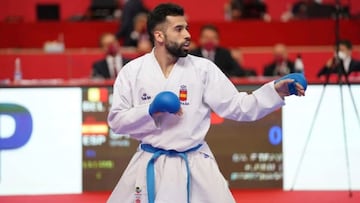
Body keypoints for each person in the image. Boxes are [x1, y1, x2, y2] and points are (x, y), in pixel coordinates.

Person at [107, 3, 305, 203]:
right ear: (159, 36)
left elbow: (239, 106)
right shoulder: (132, 72)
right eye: (178, 29)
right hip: (150, 163)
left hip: (196, 164)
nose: (187, 35)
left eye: (187, 28)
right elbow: (116, 122)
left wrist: (274, 92)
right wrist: (149, 110)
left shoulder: (203, 70)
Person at [190, 24, 256, 77]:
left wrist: (221, 76)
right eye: (206, 37)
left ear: (218, 40)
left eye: (213, 38)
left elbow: (238, 71)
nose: (210, 41)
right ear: (200, 39)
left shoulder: (224, 53)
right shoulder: (193, 54)